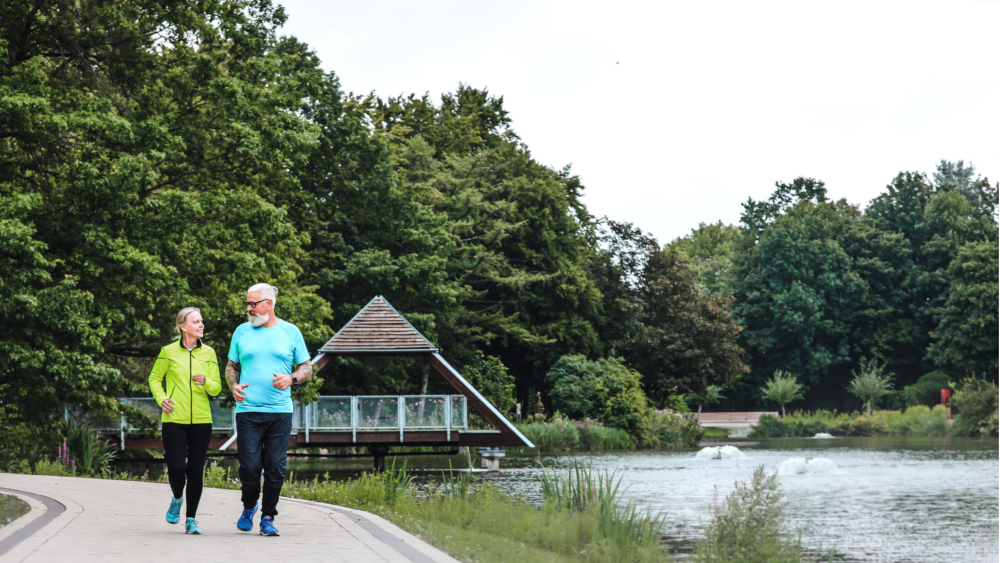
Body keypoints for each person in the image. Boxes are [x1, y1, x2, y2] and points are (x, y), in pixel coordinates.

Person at [226, 283, 313, 536]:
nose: (249, 308)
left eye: (253, 304)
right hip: (248, 411)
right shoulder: (241, 331)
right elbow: (231, 365)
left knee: (275, 466)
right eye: (247, 304)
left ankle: (267, 518)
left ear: (269, 304)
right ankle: (249, 505)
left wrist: (292, 379)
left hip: (280, 411)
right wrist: (233, 386)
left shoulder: (290, 331)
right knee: (250, 468)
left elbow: (306, 366)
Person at [148, 307, 222, 535]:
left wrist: (206, 382)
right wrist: (162, 399)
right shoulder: (168, 352)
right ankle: (177, 498)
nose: (201, 325)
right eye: (196, 322)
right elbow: (154, 378)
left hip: (201, 420)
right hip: (174, 419)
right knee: (177, 467)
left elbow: (217, 387)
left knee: (196, 470)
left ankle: (191, 519)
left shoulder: (209, 353)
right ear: (183, 326)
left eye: (202, 321)